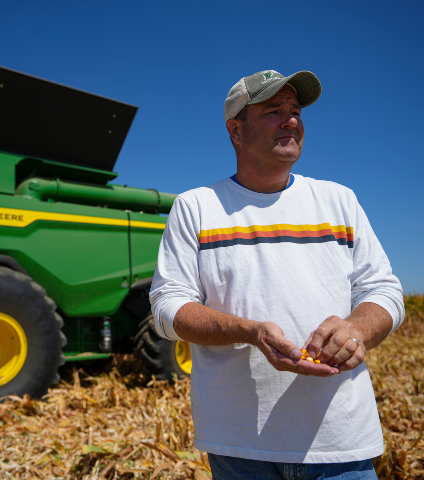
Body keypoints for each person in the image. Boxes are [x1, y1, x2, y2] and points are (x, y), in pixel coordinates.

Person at [149, 69, 404, 479]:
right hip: (240, 447)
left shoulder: (339, 200)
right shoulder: (196, 207)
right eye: (273, 110)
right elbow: (167, 308)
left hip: (339, 441)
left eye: (296, 110)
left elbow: (384, 291)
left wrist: (357, 328)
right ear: (236, 131)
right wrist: (250, 332)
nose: (291, 120)